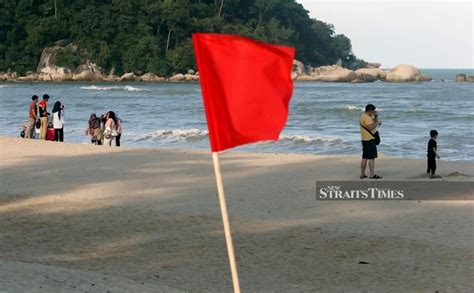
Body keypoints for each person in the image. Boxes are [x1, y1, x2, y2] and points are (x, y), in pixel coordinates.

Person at [359, 104, 382, 179]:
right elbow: (370, 127)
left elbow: (373, 122)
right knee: (371, 158)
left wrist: (376, 117)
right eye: (373, 111)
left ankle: (362, 174)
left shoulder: (363, 115)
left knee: (365, 157)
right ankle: (372, 175)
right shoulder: (367, 118)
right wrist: (377, 123)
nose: (374, 112)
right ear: (370, 110)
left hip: (364, 139)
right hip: (369, 139)